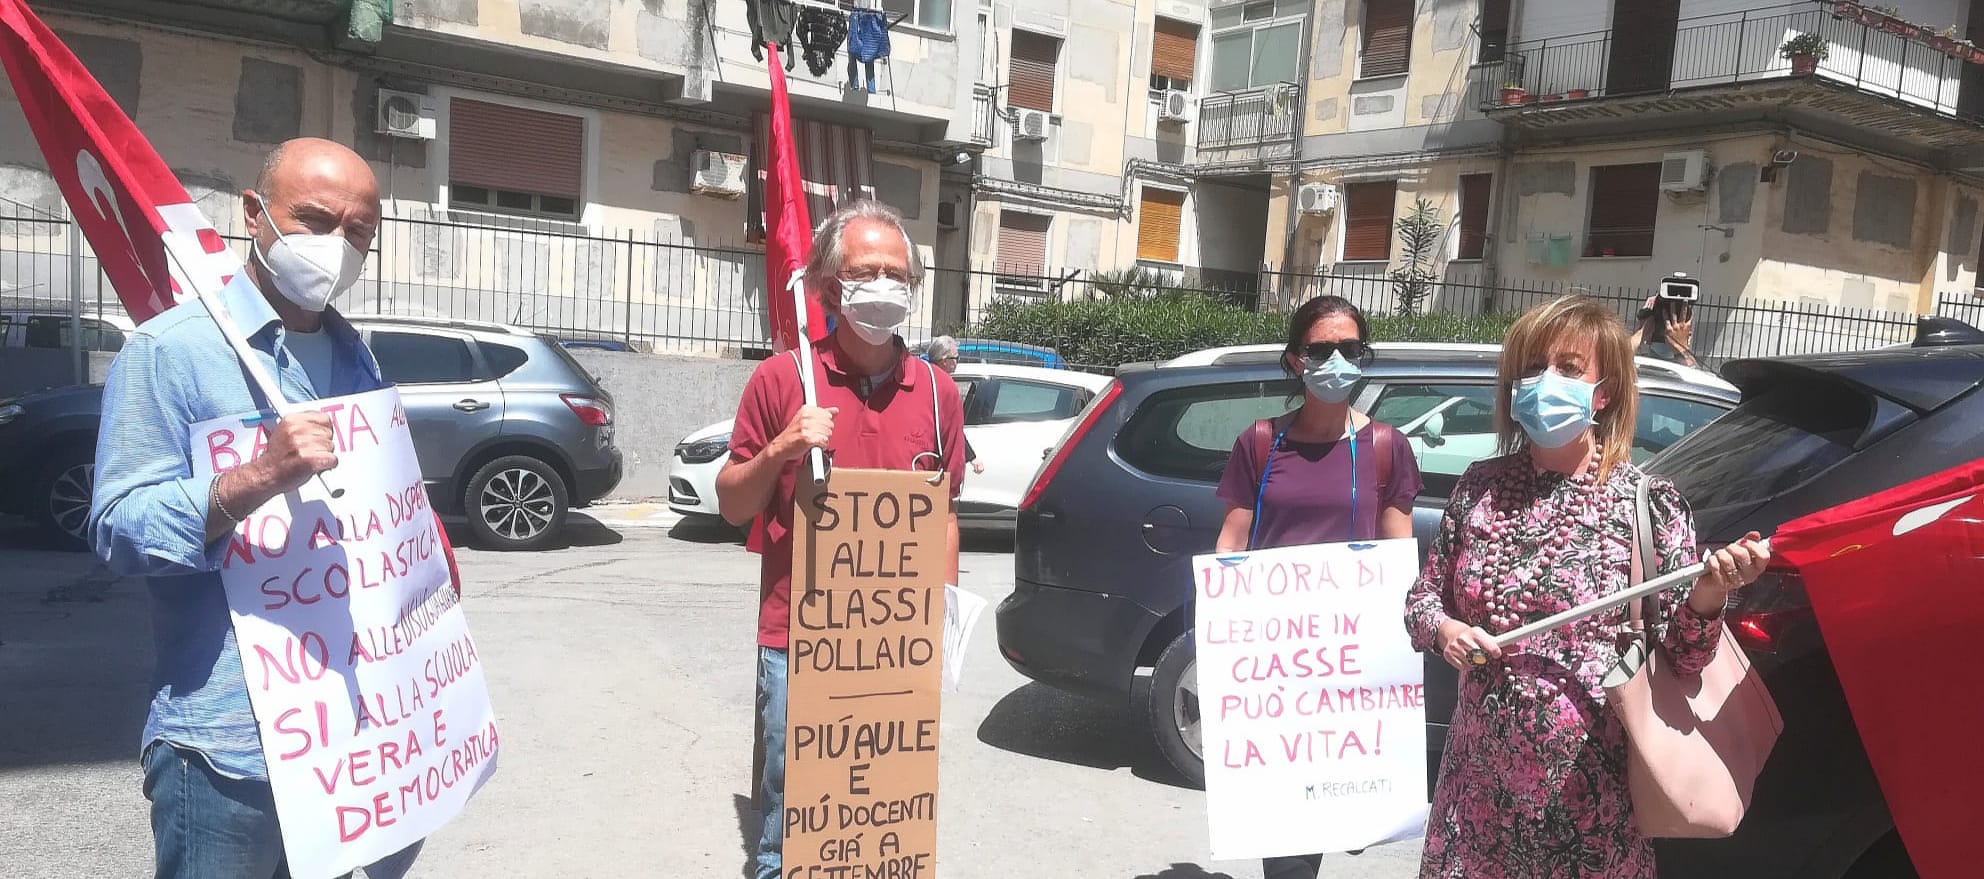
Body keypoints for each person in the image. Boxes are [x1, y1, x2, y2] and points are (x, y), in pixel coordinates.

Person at [88, 138, 419, 877]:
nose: (335, 248)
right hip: (227, 753)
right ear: (254, 213)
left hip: (349, 738)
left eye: (358, 232)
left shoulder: (357, 357)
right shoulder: (170, 352)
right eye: (314, 221)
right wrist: (257, 477)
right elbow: (117, 528)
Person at [1403, 295, 1769, 878]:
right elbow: (1421, 601)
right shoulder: (1479, 488)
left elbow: (1685, 658)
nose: (1545, 381)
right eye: (1533, 367)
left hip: (1590, 809)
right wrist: (1445, 631)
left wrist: (1711, 592)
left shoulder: (1646, 505)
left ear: (1604, 393)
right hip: (1475, 806)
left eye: (1569, 368)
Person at [715, 199, 967, 879]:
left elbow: (944, 516)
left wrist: (940, 619)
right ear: (830, 287)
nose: (884, 286)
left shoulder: (939, 394)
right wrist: (783, 446)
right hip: (797, 639)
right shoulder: (781, 379)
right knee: (791, 812)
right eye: (865, 272)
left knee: (883, 811)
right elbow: (733, 503)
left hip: (896, 643)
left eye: (897, 274)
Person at [1212, 295, 1424, 879]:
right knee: (1289, 843)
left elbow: (1397, 557)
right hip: (1275, 664)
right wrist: (1218, 631)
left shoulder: (1386, 447)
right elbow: (1232, 541)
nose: (1335, 361)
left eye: (1348, 348)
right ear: (1294, 360)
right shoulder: (1259, 442)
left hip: (1351, 664)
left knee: (1341, 812)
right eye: (1320, 349)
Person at [925, 334, 983, 475]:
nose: (957, 362)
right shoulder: (941, 385)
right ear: (944, 360)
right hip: (933, 456)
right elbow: (951, 425)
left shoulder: (926, 377)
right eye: (955, 358)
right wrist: (972, 457)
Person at [1630, 294, 1698, 367]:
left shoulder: (1635, 366)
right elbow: (1694, 371)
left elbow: (1621, 357)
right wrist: (1681, 350)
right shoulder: (1688, 372)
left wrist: (1640, 334)